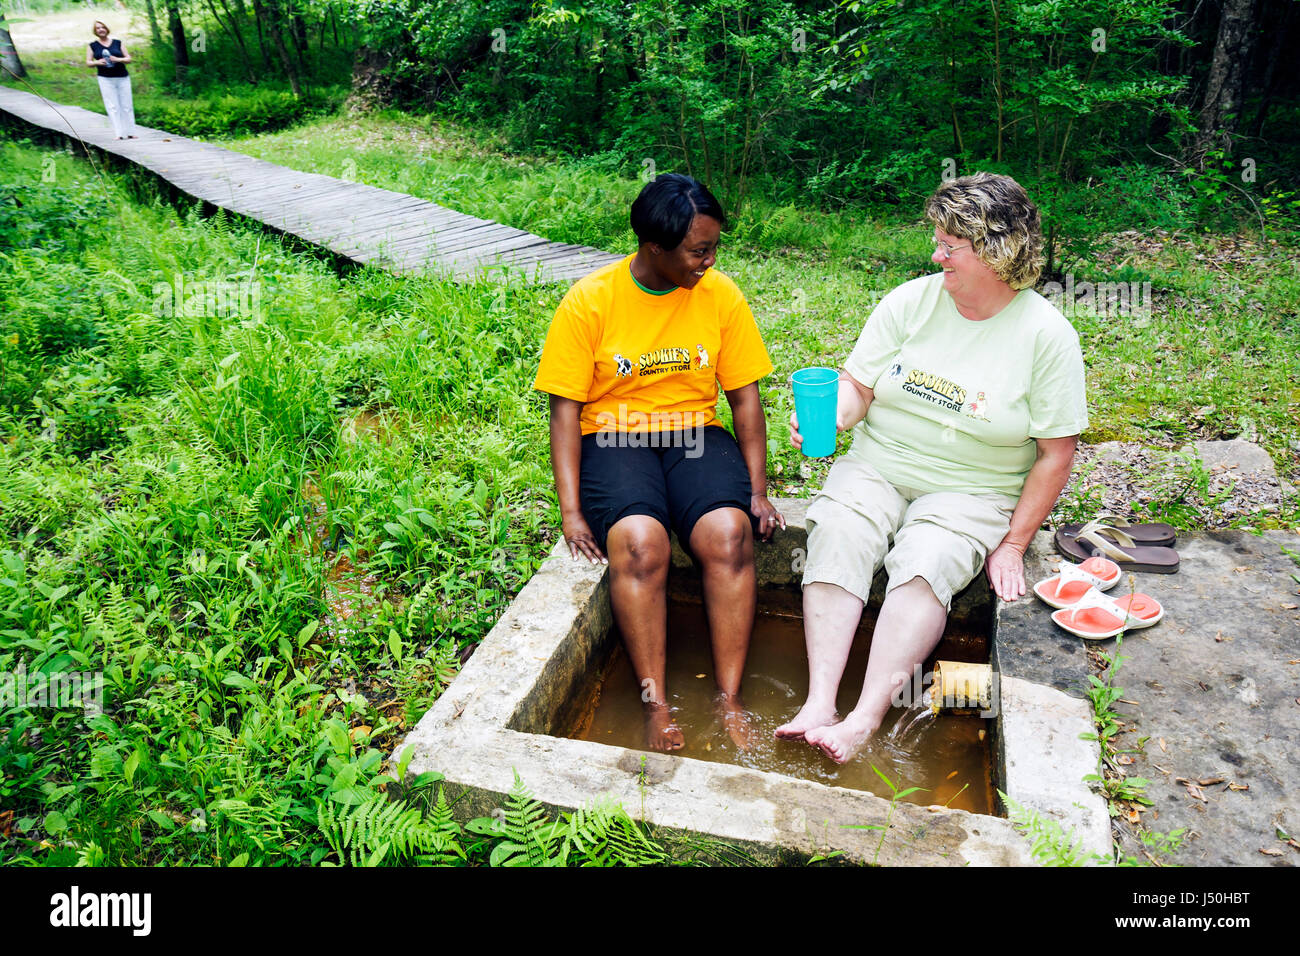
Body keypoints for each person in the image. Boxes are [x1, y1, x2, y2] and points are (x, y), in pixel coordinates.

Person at [776, 172, 1087, 763]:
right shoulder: (910, 301)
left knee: (924, 562)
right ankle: (819, 702)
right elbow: (858, 388)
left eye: (951, 245)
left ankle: (863, 720)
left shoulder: (1047, 336)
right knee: (840, 531)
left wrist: (1014, 544)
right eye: (938, 239)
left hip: (974, 487)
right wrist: (833, 418)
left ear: (999, 251)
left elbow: (1056, 453)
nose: (936, 254)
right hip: (880, 462)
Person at [533, 173, 785, 753]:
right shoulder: (591, 300)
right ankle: (656, 704)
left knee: (728, 535)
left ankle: (729, 699)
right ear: (655, 247)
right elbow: (564, 412)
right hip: (614, 436)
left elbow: (745, 397)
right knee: (641, 542)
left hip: (695, 432)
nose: (710, 260)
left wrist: (757, 489)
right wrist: (571, 511)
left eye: (714, 246)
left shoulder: (719, 294)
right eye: (699, 250)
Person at [86, 20, 136, 140]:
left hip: (122, 77)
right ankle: (119, 133)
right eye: (98, 28)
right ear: (95, 31)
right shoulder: (92, 45)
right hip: (105, 78)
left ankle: (131, 132)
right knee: (112, 106)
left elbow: (128, 58)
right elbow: (88, 62)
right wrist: (98, 62)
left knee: (127, 105)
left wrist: (117, 59)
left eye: (103, 27)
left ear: (107, 29)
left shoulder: (118, 43)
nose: (101, 30)